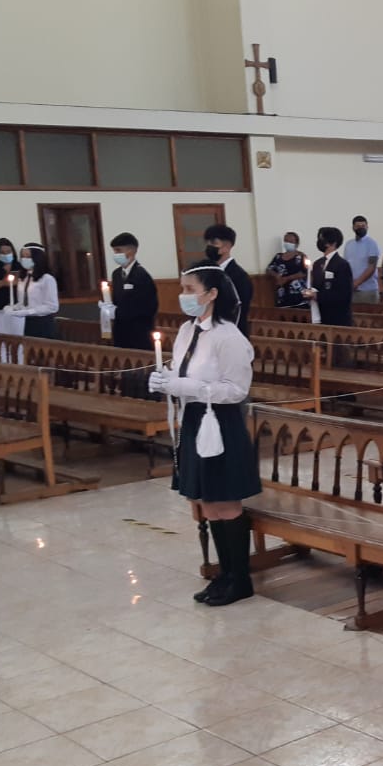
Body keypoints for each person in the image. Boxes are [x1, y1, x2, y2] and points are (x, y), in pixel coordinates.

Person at [150, 264, 260, 606]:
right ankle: (224, 574)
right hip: (195, 418)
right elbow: (181, 369)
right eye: (181, 288)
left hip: (221, 421)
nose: (183, 295)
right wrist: (165, 379)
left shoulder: (229, 337)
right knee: (207, 501)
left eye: (190, 289)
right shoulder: (187, 329)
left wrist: (189, 387)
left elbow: (237, 390)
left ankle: (240, 579)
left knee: (226, 500)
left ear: (211, 294)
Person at [108, 233, 158, 349]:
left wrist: (117, 312)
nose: (115, 255)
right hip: (120, 332)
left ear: (131, 250)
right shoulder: (116, 274)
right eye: (114, 251)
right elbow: (116, 300)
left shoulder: (141, 276)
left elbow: (148, 308)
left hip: (139, 333)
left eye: (118, 250)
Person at [204, 224, 254, 336]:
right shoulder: (207, 272)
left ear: (227, 246)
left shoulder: (239, 276)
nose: (209, 246)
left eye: (214, 243)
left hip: (232, 334)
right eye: (207, 243)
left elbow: (238, 310)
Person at [305, 227, 354, 327]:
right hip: (320, 314)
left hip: (337, 318)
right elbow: (315, 287)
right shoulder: (317, 264)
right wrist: (308, 292)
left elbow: (344, 295)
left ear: (333, 242)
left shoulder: (342, 265)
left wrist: (318, 296)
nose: (319, 242)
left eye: (321, 239)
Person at [17, 241, 60, 339]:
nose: (24, 259)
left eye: (28, 256)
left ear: (37, 257)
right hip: (27, 322)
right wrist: (16, 308)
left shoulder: (47, 279)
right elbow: (22, 300)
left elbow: (52, 306)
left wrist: (30, 311)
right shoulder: (24, 278)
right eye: (22, 256)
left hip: (42, 323)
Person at [267, 231, 309, 312]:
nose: (288, 243)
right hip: (282, 294)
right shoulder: (278, 256)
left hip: (298, 294)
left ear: (296, 243)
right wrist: (276, 276)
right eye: (286, 241)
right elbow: (269, 269)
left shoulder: (301, 256)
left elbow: (304, 272)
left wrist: (287, 278)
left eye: (291, 241)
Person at [343, 216, 380, 302]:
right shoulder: (349, 244)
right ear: (353, 228)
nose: (361, 228)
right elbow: (346, 266)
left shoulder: (372, 243)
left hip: (368, 290)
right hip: (351, 290)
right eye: (358, 226)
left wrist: (356, 283)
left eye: (363, 226)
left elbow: (371, 267)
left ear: (367, 227)